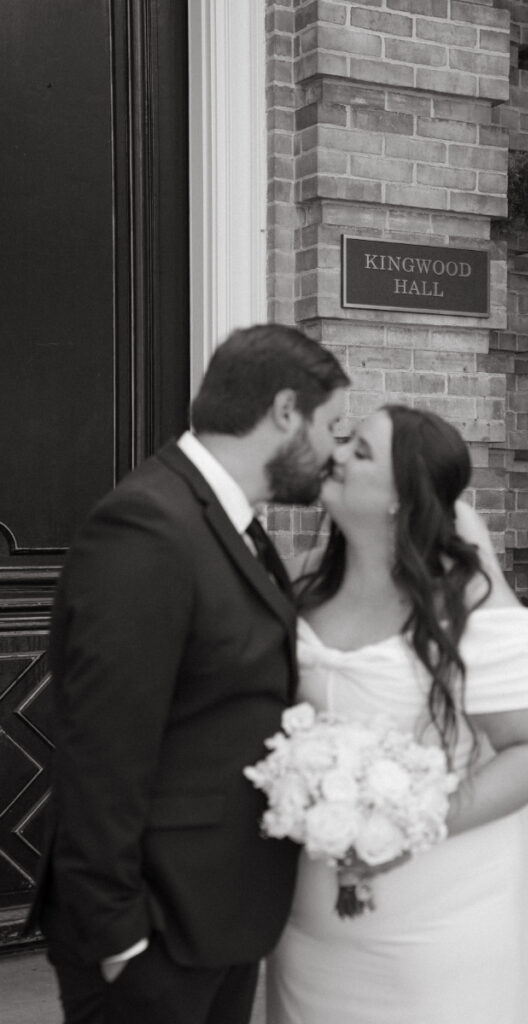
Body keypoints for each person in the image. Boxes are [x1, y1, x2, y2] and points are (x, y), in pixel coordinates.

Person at [25, 323, 349, 1024]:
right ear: (285, 411)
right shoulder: (149, 526)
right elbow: (102, 745)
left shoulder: (234, 526)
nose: (332, 451)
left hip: (215, 916)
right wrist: (119, 937)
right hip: (154, 928)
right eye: (331, 425)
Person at [267, 404, 528, 1024]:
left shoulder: (470, 602)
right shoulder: (299, 588)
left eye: (362, 452)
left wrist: (413, 823)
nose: (339, 454)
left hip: (437, 915)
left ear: (400, 500)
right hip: (310, 913)